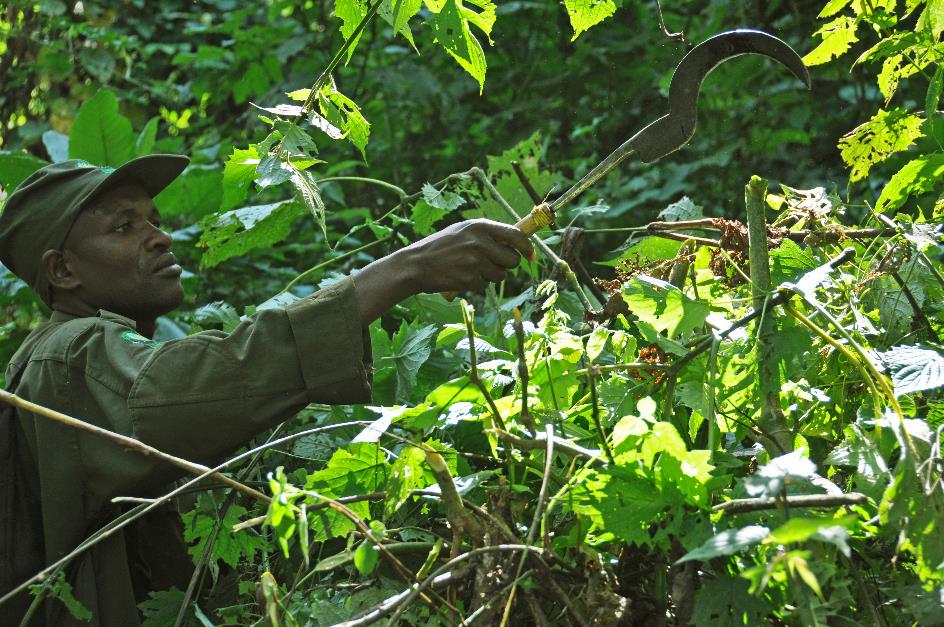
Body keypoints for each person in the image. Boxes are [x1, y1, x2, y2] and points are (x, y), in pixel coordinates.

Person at [0, 155, 533, 626]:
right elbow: (193, 387)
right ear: (63, 270)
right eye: (123, 226)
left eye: (154, 221)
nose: (160, 237)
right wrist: (404, 270)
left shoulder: (67, 354)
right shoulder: (71, 351)